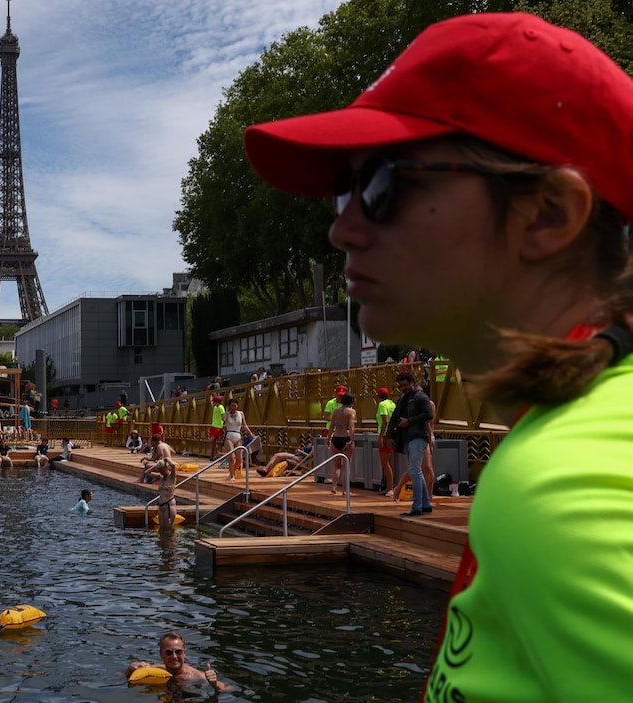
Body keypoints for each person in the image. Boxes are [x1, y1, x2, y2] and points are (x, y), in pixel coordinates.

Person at [243, 13, 633, 699]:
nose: (343, 227)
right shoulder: (576, 441)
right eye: (345, 186)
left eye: (386, 183)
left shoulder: (560, 490)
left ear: (547, 214)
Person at [385, 373, 433, 515]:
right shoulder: (402, 400)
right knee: (415, 470)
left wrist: (409, 421)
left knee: (415, 470)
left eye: (405, 385)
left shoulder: (420, 397)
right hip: (407, 437)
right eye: (400, 386)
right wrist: (388, 437)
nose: (403, 388)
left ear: (412, 383)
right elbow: (393, 419)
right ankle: (425, 503)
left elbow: (429, 415)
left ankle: (417, 506)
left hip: (418, 435)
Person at [124, 632, 227, 692]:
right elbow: (120, 676)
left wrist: (215, 684)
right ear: (161, 654)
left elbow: (228, 689)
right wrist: (129, 670)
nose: (174, 656)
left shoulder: (196, 675)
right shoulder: (155, 669)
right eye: (169, 652)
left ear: (184, 653)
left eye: (178, 652)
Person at [144, 434, 178, 526]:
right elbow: (147, 473)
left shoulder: (172, 477)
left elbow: (174, 465)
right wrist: (157, 465)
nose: (161, 473)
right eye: (160, 471)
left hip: (169, 505)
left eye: (162, 471)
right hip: (161, 505)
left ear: (166, 469)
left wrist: (167, 458)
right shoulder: (160, 477)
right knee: (161, 529)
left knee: (168, 529)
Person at [327, 394, 356, 495]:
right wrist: (351, 440)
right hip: (345, 437)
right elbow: (351, 426)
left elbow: (332, 426)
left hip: (336, 438)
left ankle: (334, 486)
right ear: (351, 402)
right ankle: (345, 490)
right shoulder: (351, 411)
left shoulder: (335, 411)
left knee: (337, 465)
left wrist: (328, 438)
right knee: (346, 466)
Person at [222, 398, 252, 479]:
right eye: (231, 406)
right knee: (231, 458)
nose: (233, 407)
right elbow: (223, 420)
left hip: (238, 436)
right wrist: (226, 410)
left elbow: (244, 425)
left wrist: (250, 433)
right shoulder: (227, 414)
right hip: (229, 436)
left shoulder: (241, 413)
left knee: (239, 459)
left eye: (235, 405)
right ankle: (232, 475)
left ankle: (232, 471)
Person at [375, 387, 397, 494]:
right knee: (387, 463)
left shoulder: (382, 405)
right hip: (392, 434)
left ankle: (391, 488)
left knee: (385, 463)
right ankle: (388, 487)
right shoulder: (392, 404)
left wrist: (380, 436)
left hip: (385, 435)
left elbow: (385, 421)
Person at [207, 395, 225, 460]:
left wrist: (224, 422)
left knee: (212, 440)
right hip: (213, 425)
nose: (213, 403)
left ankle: (214, 454)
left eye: (214, 402)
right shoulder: (215, 407)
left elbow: (223, 416)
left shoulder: (221, 407)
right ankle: (212, 455)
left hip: (218, 426)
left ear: (217, 402)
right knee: (213, 442)